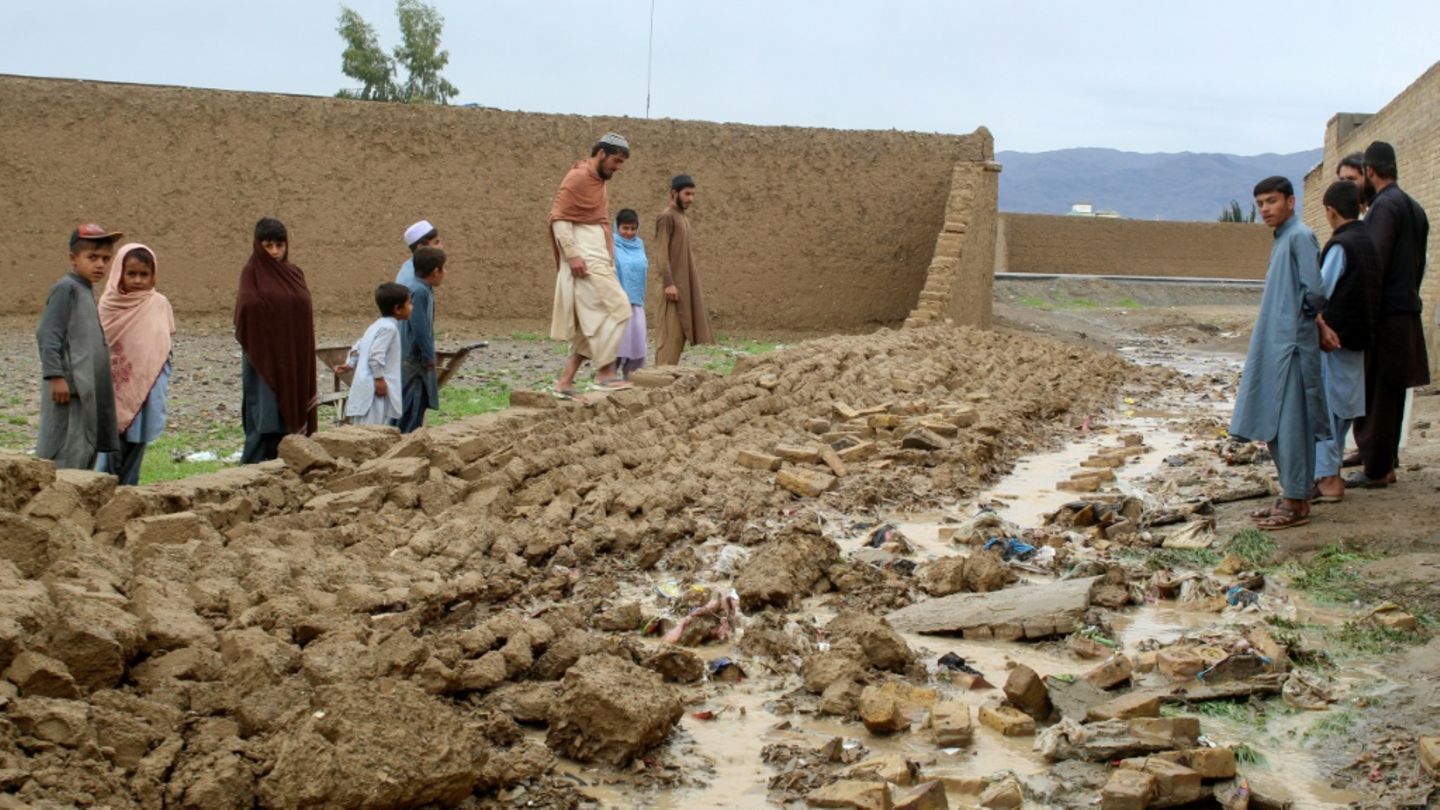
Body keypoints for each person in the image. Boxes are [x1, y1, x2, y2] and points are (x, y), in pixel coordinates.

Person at [1230, 176, 1328, 530]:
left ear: (1291, 201)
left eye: (1271, 201)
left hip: (1292, 348)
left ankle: (1298, 501)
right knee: (1275, 424)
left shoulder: (1300, 236)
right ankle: (1291, 491)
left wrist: (1302, 324)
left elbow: (1314, 291)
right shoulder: (1283, 238)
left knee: (1292, 426)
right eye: (1259, 204)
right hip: (1277, 344)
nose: (1265, 209)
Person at [1347, 141, 1430, 488]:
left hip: (1386, 316)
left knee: (1378, 393)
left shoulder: (1384, 207)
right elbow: (1418, 265)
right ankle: (1383, 461)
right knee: (1390, 393)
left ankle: (1377, 470)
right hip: (1405, 310)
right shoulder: (1413, 207)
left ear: (1370, 171)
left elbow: (1373, 264)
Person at [548, 133, 634, 396]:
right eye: (616, 161)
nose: (617, 168)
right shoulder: (577, 177)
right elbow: (559, 217)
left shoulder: (599, 182)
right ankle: (605, 373)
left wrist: (608, 255)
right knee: (619, 308)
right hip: (584, 260)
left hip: (597, 258)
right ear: (601, 154)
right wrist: (572, 254)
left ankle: (565, 382)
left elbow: (600, 220)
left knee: (592, 322)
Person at [1312, 182, 1379, 501]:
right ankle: (1329, 474)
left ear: (1331, 211)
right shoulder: (1368, 241)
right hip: (1359, 341)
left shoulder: (1341, 246)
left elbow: (1320, 293)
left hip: (1335, 341)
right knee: (1343, 409)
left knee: (1327, 412)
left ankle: (1327, 478)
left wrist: (1319, 323)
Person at [36, 223, 122, 470]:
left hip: (86, 391)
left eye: (106, 259)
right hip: (69, 391)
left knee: (84, 449)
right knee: (65, 450)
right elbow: (48, 334)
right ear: (74, 259)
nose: (100, 265)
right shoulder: (66, 288)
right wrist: (55, 376)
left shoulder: (84, 289)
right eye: (92, 257)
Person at [235, 217, 317, 463]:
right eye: (268, 245)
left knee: (288, 425)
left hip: (292, 360)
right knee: (266, 421)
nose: (274, 252)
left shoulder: (294, 274)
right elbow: (246, 313)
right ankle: (246, 479)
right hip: (265, 361)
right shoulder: (252, 274)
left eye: (279, 245)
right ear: (258, 245)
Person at [96, 243, 175, 485]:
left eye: (144, 274)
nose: (138, 280)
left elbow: (164, 344)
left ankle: (129, 493)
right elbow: (99, 347)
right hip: (115, 387)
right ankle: (103, 491)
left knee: (137, 442)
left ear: (153, 275)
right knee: (111, 446)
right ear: (119, 272)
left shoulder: (159, 303)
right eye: (131, 274)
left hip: (148, 385)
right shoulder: (108, 304)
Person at [654, 174, 715, 366]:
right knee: (669, 337)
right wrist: (669, 283)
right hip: (671, 289)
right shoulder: (667, 217)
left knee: (679, 337)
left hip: (683, 288)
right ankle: (657, 380)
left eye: (693, 195)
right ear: (674, 193)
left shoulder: (682, 218)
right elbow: (661, 254)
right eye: (687, 194)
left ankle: (667, 379)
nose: (691, 199)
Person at [338, 282, 411, 426]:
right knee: (371, 431)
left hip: (366, 388)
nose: (411, 307)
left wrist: (350, 364)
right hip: (373, 391)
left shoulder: (377, 325)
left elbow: (358, 347)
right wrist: (379, 379)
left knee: (363, 429)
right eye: (409, 303)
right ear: (397, 308)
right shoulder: (389, 329)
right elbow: (376, 356)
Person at [399, 247, 445, 433]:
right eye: (444, 268)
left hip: (414, 360)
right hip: (415, 363)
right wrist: (429, 356)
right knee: (411, 409)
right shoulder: (419, 292)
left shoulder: (422, 289)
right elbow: (420, 328)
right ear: (435, 271)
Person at [613, 208, 649, 378]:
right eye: (625, 228)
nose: (629, 232)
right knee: (617, 345)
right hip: (616, 304)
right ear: (617, 227)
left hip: (636, 302)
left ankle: (632, 380)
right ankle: (609, 379)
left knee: (637, 344)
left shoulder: (639, 245)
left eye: (633, 228)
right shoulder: (611, 244)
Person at [395, 219, 442, 287]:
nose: (441, 247)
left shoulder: (415, 266)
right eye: (436, 243)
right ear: (421, 247)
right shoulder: (417, 282)